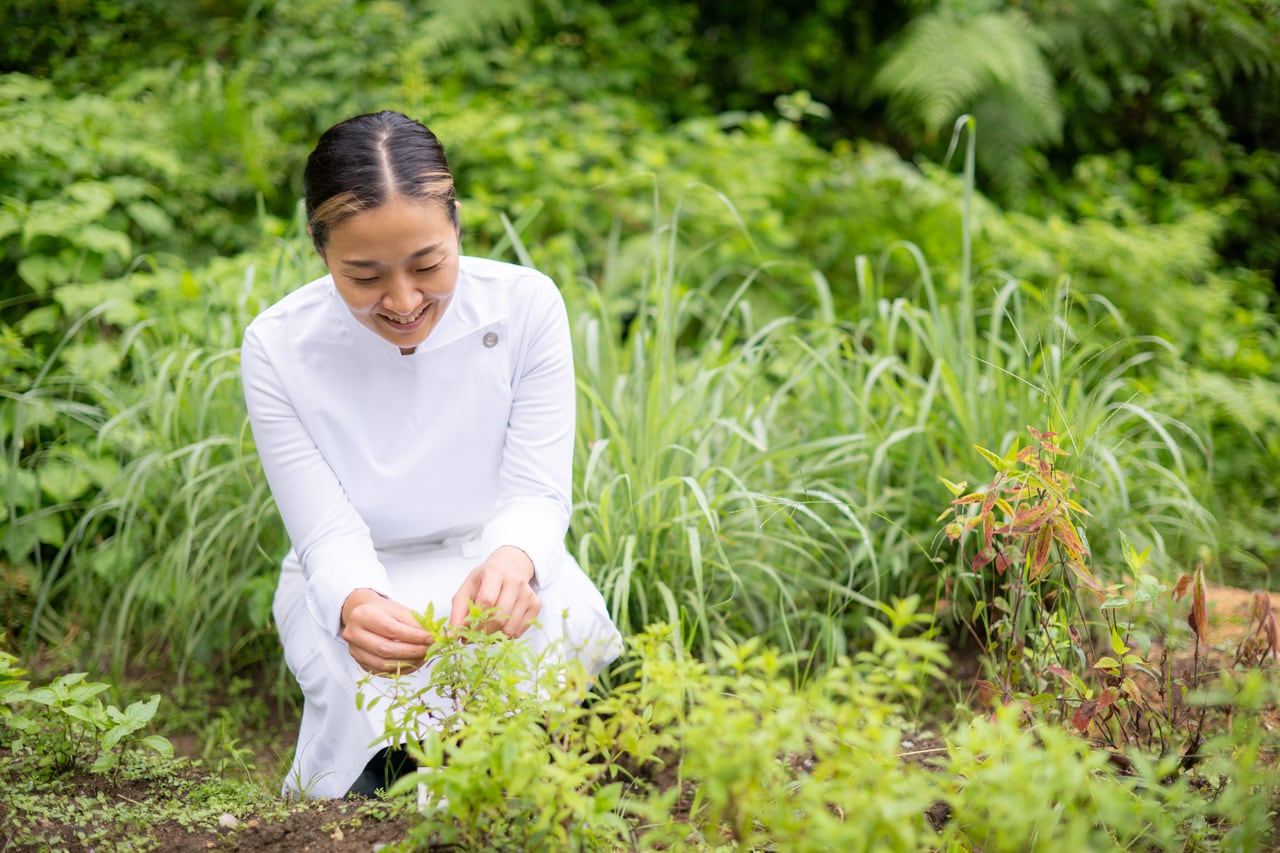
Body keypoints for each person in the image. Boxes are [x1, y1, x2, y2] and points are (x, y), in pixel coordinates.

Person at [240, 110, 622, 800]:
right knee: (383, 709)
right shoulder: (277, 346)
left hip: (498, 561)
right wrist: (355, 601)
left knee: (556, 682)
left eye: (427, 264)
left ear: (457, 226)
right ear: (320, 250)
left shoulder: (526, 305)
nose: (404, 300)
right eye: (364, 276)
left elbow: (537, 491)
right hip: (357, 574)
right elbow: (324, 530)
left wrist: (513, 562)